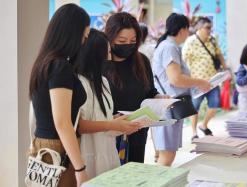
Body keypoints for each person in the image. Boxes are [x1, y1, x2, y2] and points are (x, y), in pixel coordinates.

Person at [28, 4, 90, 187]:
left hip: (46, 145)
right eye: (83, 37)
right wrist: (80, 169)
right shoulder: (60, 67)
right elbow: (62, 122)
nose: (84, 43)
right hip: (57, 148)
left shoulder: (45, 62)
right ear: (71, 35)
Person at [73, 29, 140, 177]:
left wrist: (120, 122)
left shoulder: (103, 81)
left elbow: (103, 118)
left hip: (107, 151)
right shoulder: (78, 82)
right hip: (86, 153)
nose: (110, 58)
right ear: (94, 55)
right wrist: (111, 124)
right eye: (107, 53)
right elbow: (79, 125)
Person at [103, 12, 167, 164]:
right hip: (109, 134)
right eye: (122, 41)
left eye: (133, 41)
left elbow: (151, 91)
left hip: (138, 132)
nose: (128, 45)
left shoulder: (142, 61)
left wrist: (160, 99)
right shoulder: (100, 64)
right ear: (110, 39)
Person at [152, 13, 211, 166]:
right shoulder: (169, 47)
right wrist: (200, 82)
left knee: (166, 155)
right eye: (188, 28)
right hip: (168, 106)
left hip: (169, 106)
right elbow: (175, 79)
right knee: (167, 156)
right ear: (182, 29)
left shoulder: (168, 46)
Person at [182, 17, 227, 140]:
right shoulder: (191, 41)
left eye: (210, 27)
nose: (209, 30)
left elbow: (219, 55)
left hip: (213, 81)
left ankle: (204, 125)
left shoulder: (212, 40)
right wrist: (184, 78)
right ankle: (193, 132)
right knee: (194, 109)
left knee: (214, 106)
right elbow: (183, 60)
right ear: (199, 28)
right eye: (207, 27)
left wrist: (226, 68)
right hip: (197, 82)